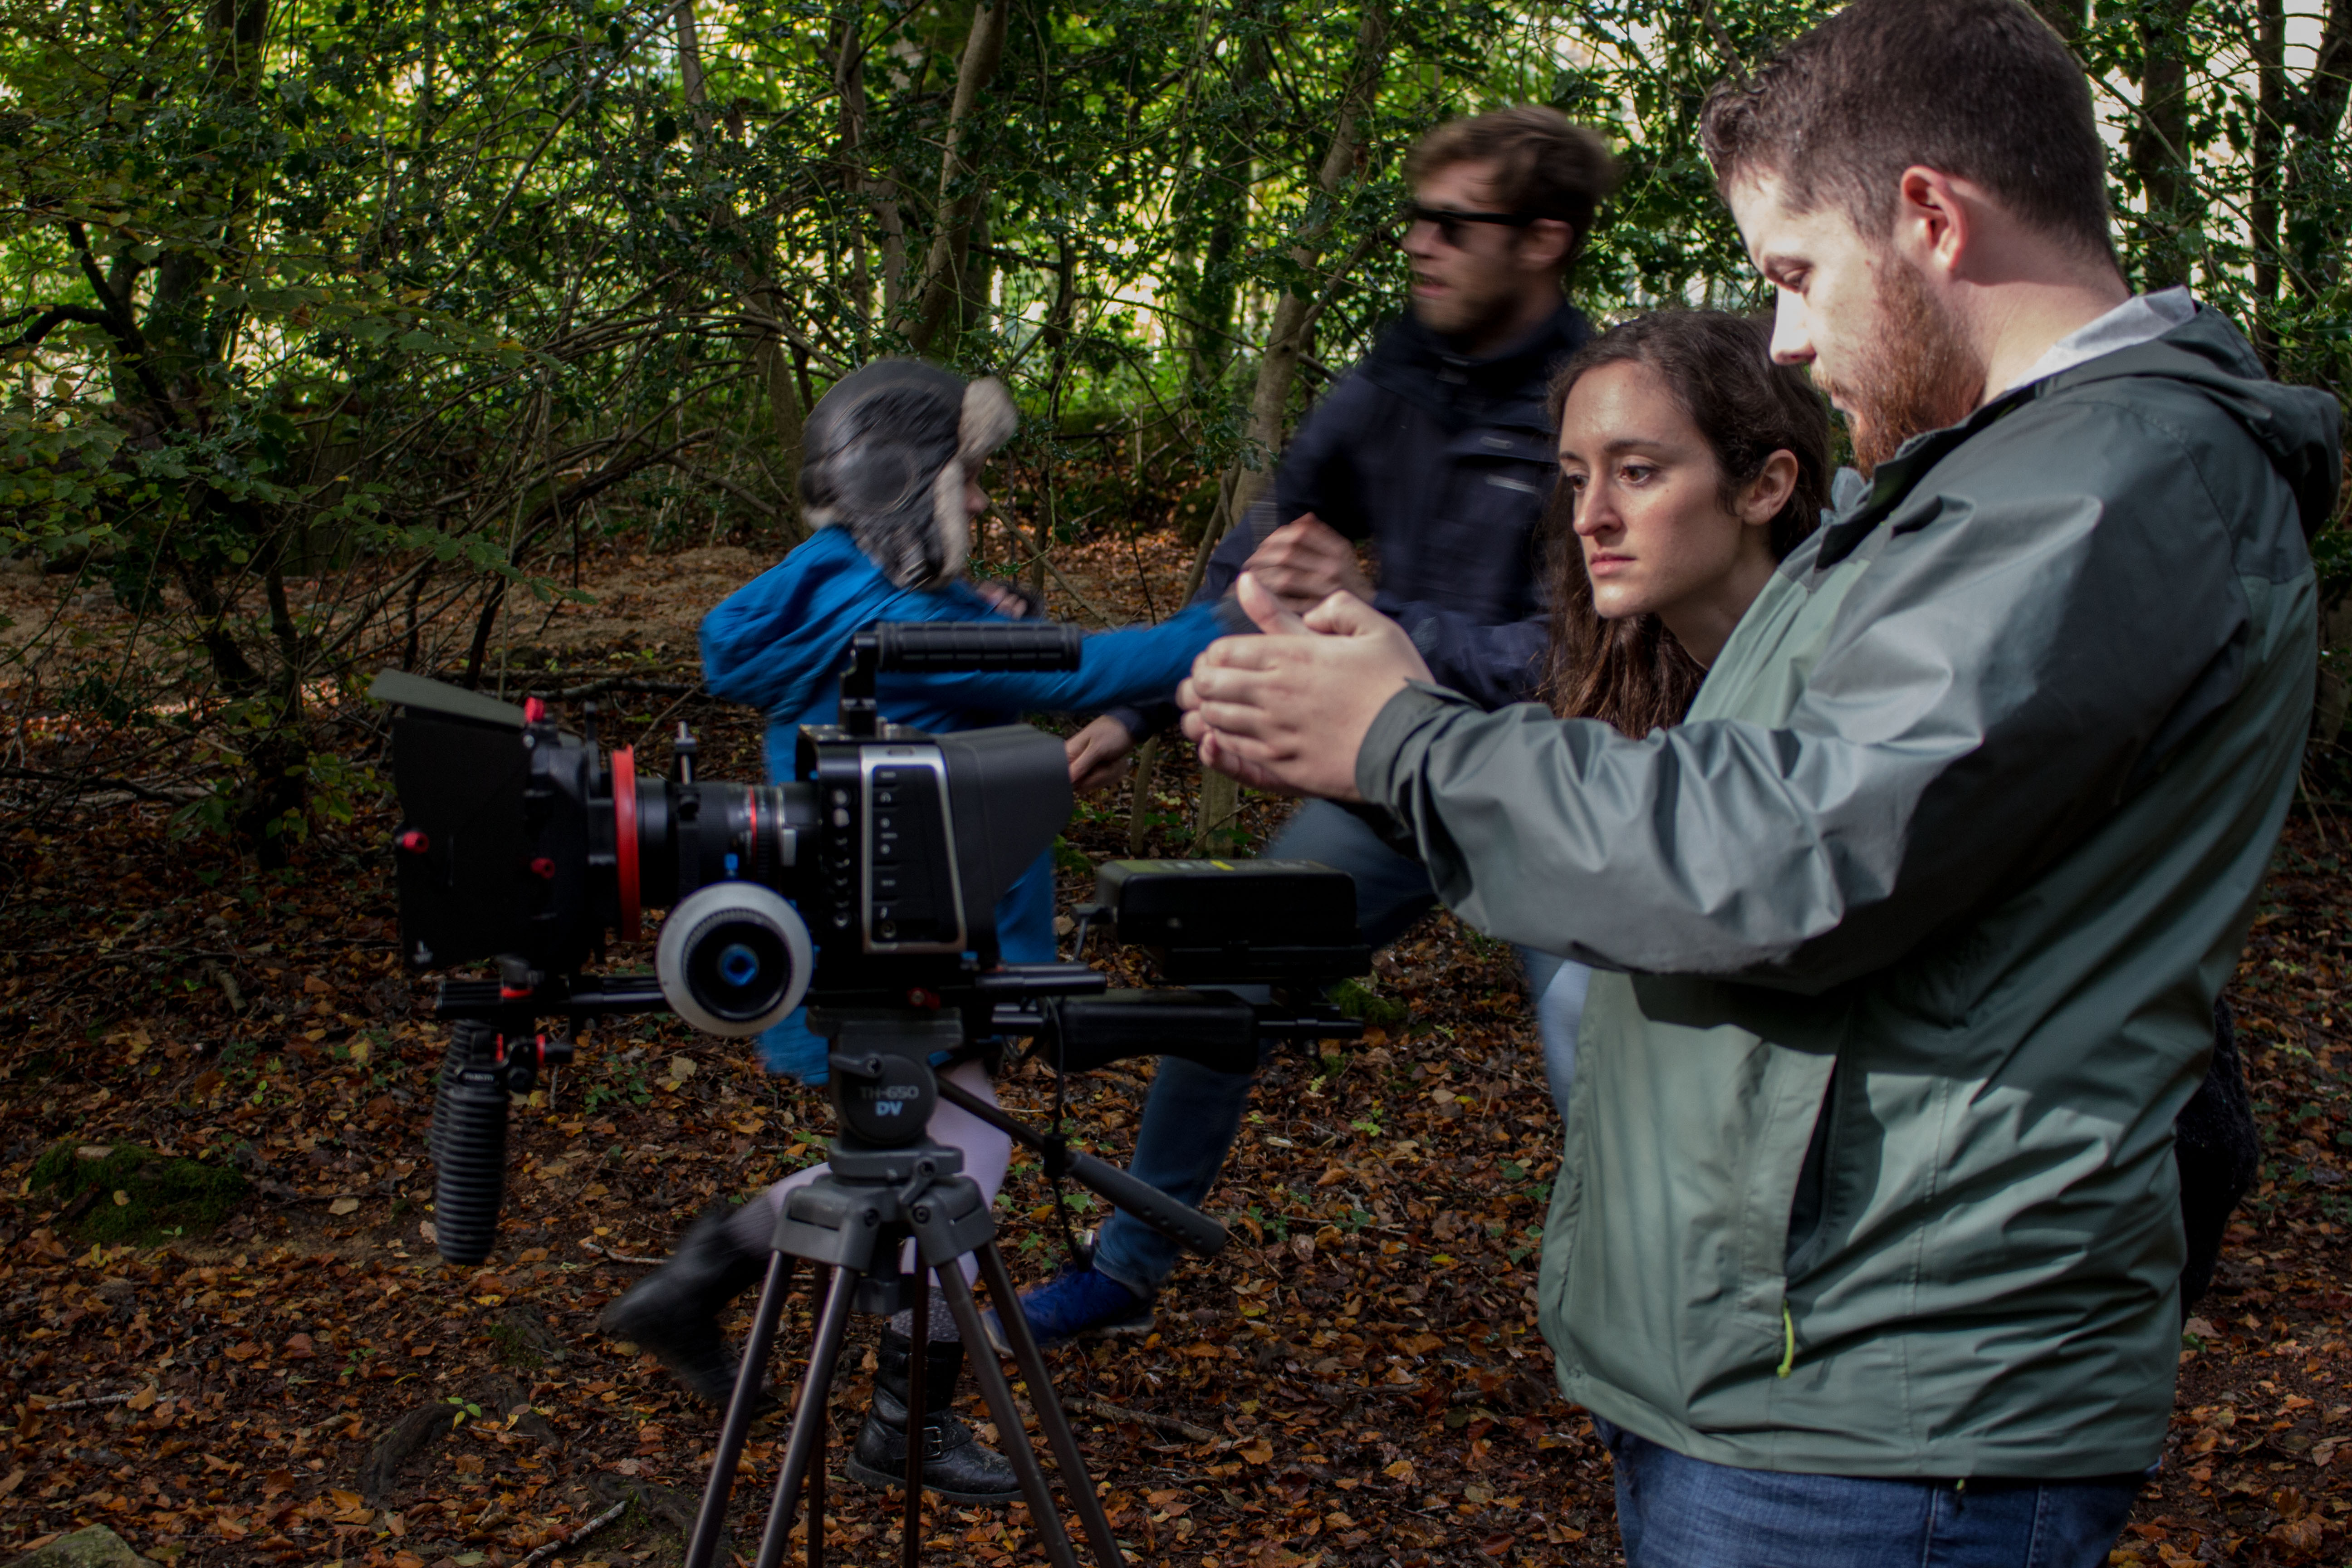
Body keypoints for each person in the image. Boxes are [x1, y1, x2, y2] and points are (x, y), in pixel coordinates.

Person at [1175, 1, 2341, 1562]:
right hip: (1790, 1376)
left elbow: (1784, 849)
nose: (1784, 337)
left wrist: (1405, 738)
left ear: (1928, 216)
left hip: (1888, 1411)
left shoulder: (2106, 487)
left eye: (1795, 275)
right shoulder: (1991, 483)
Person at [1005, 104, 1620, 1348]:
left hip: (1559, 790)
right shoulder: (1387, 384)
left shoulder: (1597, 408)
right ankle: (1128, 1271)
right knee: (1226, 969)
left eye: (1457, 224)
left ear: (1545, 240)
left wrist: (1376, 622)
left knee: (1601, 1052)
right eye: (1415, 220)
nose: (1423, 247)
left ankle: (1648, 1333)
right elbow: (1261, 564)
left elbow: (1575, 656)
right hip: (1383, 790)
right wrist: (1137, 709)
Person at [600, 358, 1245, 1504]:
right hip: (920, 962)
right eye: (970, 481)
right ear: (905, 488)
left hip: (872, 957)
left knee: (913, 1170)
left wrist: (972, 610)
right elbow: (1100, 671)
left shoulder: (833, 598)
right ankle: (899, 1418)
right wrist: (1237, 619)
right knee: (962, 1171)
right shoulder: (906, 626)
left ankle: (706, 1283)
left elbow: (972, 668)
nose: (987, 506)